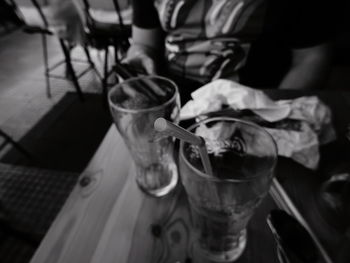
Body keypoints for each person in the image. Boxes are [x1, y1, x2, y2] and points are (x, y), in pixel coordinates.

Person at [125, 0, 335, 101]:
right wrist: (139, 58)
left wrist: (270, 110)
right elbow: (143, 44)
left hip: (257, 101)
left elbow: (312, 57)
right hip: (172, 99)